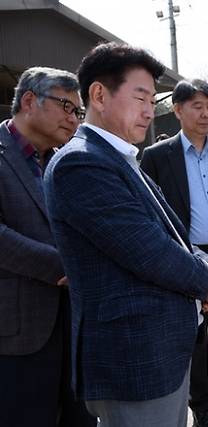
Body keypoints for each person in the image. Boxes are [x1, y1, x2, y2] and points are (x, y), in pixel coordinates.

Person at [43, 42, 208, 427]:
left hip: (160, 351)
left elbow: (173, 236)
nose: (151, 111)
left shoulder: (120, 157)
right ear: (99, 94)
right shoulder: (81, 162)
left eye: (153, 99)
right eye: (140, 97)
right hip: (133, 359)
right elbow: (149, 251)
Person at [141, 79, 208, 426]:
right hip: (187, 260)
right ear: (177, 110)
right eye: (196, 106)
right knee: (196, 337)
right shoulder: (158, 156)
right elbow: (151, 214)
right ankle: (201, 407)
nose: (205, 113)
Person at [0, 67, 95, 427]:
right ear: (28, 101)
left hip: (74, 325)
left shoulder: (65, 160)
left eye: (78, 112)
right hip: (18, 331)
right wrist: (64, 266)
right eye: (66, 107)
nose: (74, 119)